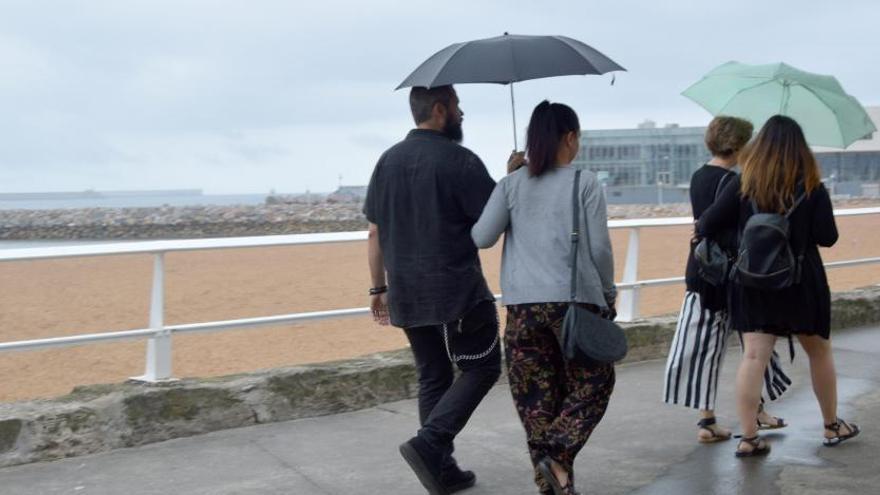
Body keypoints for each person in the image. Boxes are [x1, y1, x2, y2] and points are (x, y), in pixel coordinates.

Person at [472, 101, 616, 495]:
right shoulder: (584, 181)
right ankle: (556, 455)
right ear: (569, 138)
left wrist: (509, 181)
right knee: (595, 382)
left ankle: (554, 482)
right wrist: (607, 292)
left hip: (522, 310)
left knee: (537, 401)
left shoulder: (511, 184)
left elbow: (481, 236)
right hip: (575, 303)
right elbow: (600, 248)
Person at [364, 85, 502, 494]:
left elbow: (374, 233)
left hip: (405, 290)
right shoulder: (460, 161)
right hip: (456, 291)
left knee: (434, 375)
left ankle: (440, 467)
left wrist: (377, 289)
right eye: (458, 107)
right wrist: (512, 178)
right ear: (440, 110)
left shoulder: (386, 161)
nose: (462, 115)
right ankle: (431, 444)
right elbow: (493, 225)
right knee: (483, 367)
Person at [697, 115, 861, 457]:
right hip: (802, 282)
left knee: (754, 355)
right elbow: (828, 237)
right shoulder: (812, 186)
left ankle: (748, 437)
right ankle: (831, 426)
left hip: (753, 282)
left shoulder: (743, 183)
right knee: (818, 352)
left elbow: (707, 224)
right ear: (801, 149)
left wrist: (748, 238)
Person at [663, 116, 790, 443]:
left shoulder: (698, 176)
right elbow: (716, 223)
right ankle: (751, 413)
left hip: (703, 269)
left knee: (708, 347)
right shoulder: (737, 181)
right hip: (732, 274)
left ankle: (714, 419)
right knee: (755, 345)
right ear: (739, 145)